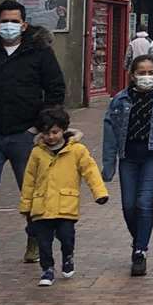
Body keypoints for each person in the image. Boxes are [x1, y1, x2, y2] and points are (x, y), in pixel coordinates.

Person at [0, 0, 66, 279]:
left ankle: (33, 239)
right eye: (4, 20)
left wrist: (40, 127)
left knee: (30, 193)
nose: (8, 26)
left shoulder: (40, 53)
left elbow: (55, 89)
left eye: (14, 21)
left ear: (24, 24)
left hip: (25, 136)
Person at [102, 55, 153, 275]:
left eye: (150, 72)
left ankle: (140, 250)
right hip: (128, 157)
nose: (146, 77)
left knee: (144, 203)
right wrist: (108, 166)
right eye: (141, 72)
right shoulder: (119, 100)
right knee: (129, 206)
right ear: (132, 74)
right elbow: (109, 135)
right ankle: (139, 238)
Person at [20, 105, 109, 286]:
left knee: (66, 236)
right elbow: (29, 179)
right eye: (46, 133)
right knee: (43, 241)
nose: (50, 137)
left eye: (55, 132)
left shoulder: (77, 150)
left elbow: (90, 171)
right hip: (41, 206)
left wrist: (100, 193)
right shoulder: (37, 152)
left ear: (63, 130)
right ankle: (47, 269)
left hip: (65, 204)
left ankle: (68, 256)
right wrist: (26, 205)